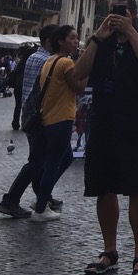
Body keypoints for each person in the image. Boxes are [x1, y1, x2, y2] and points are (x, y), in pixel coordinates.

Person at [72, 0, 138, 275]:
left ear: (134, 13)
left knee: (137, 188)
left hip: (134, 125)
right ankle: (109, 252)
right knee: (103, 188)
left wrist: (131, 31)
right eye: (112, 12)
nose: (116, 16)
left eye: (121, 12)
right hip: (103, 124)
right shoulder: (102, 41)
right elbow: (78, 74)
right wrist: (97, 36)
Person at [30, 25, 88, 221]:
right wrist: (86, 67)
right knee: (54, 164)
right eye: (72, 38)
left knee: (66, 159)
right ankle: (40, 209)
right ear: (61, 41)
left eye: (77, 38)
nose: (76, 41)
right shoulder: (66, 63)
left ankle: (42, 198)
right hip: (61, 118)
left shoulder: (50, 60)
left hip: (48, 118)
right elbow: (79, 87)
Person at [0, 26, 57, 219]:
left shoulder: (33, 57)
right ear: (49, 40)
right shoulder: (46, 61)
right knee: (37, 161)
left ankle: (43, 196)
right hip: (39, 116)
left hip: (30, 114)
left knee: (39, 160)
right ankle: (10, 200)